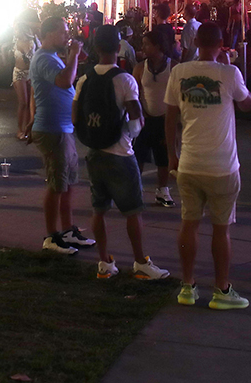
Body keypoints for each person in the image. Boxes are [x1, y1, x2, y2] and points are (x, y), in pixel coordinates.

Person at [164, 22, 251, 310]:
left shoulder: (179, 72)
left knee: (188, 224)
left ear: (196, 43)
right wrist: (230, 68)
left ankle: (187, 286)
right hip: (222, 166)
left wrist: (172, 155)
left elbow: (169, 117)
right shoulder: (229, 73)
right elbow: (248, 104)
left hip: (189, 161)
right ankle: (221, 289)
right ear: (220, 44)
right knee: (220, 229)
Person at [76, 25, 171, 282]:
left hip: (94, 153)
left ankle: (104, 262)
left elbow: (75, 117)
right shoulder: (125, 79)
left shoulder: (84, 80)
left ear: (95, 48)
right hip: (120, 154)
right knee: (132, 212)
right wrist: (130, 134)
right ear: (118, 48)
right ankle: (140, 262)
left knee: (98, 210)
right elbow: (137, 117)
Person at [30, 15, 96, 255]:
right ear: (48, 34)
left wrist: (72, 58)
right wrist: (74, 56)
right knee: (57, 184)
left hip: (63, 128)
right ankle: (51, 236)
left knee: (68, 184)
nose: (67, 36)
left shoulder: (53, 58)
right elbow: (65, 81)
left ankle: (68, 230)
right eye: (62, 32)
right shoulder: (44, 59)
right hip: (52, 128)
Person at [133, 26, 175, 208]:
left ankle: (162, 190)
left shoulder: (174, 67)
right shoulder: (140, 68)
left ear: (158, 46)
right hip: (144, 118)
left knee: (163, 158)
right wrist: (138, 114)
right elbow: (134, 93)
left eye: (147, 45)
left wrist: (177, 119)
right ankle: (136, 189)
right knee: (139, 155)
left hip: (166, 118)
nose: (143, 48)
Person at [12, 8, 39, 142]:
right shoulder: (16, 41)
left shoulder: (33, 40)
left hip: (31, 73)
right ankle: (20, 129)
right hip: (19, 73)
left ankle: (29, 129)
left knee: (31, 103)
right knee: (23, 102)